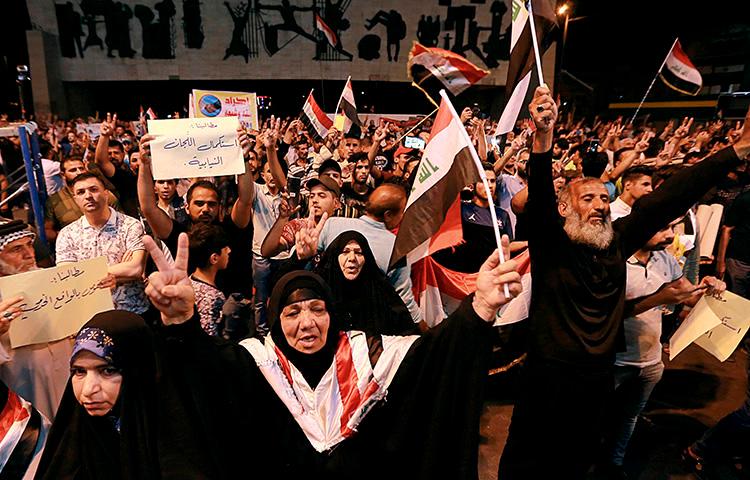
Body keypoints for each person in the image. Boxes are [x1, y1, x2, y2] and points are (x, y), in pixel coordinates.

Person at [497, 88, 750, 478]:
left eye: (604, 198)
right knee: (527, 462)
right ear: (565, 209)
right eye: (587, 198)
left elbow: (664, 200)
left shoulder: (616, 242)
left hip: (598, 378)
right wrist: (543, 136)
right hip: (547, 377)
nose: (599, 204)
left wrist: (733, 152)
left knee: (578, 461)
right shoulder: (552, 244)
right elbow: (543, 198)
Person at [142, 230, 522, 478]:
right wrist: (180, 321)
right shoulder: (256, 361)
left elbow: (435, 356)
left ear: (331, 313)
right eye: (292, 313)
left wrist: (480, 307)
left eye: (317, 309)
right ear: (276, 319)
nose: (307, 323)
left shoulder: (369, 355)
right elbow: (200, 371)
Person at [603, 219, 725, 476]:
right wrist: (660, 298)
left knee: (630, 417)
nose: (670, 236)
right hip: (614, 359)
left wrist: (708, 289)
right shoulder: (614, 261)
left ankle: (614, 464)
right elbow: (607, 312)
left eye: (672, 228)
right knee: (593, 416)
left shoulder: (665, 259)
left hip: (649, 360)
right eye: (662, 228)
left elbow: (686, 295)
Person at [36, 310, 160, 479]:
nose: (88, 390)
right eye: (79, 371)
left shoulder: (169, 440)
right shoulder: (72, 442)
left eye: (108, 371)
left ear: (137, 371)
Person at [138, 129, 254, 297]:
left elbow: (245, 200)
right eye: (199, 203)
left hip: (234, 312)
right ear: (186, 206)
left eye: (211, 204)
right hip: (190, 310)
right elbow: (148, 207)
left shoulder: (231, 228)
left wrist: (243, 160)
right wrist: (144, 164)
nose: (205, 209)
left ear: (220, 207)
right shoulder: (180, 235)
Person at [298, 183, 423, 324]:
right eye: (402, 212)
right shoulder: (397, 247)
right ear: (388, 215)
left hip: (323, 313)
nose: (352, 259)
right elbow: (404, 299)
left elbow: (307, 260)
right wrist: (424, 329)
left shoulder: (332, 224)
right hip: (367, 324)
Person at [0, 220, 76, 420]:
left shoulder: (54, 280)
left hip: (70, 379)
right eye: (16, 249)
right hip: (27, 390)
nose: (28, 254)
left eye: (29, 245)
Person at [56, 173, 149, 314]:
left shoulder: (130, 225)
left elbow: (136, 268)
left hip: (132, 310)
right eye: (81, 192)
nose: (88, 196)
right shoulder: (67, 234)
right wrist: (119, 273)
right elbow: (67, 278)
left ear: (106, 194)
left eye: (93, 189)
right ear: (75, 200)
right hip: (90, 313)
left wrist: (84, 274)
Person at [314, 231, 416, 335]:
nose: (352, 258)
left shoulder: (380, 289)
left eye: (359, 252)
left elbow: (406, 330)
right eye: (345, 251)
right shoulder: (320, 289)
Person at [44, 156, 119, 243]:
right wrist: (68, 237)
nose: (79, 172)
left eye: (81, 168)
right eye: (73, 170)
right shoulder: (55, 200)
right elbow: (47, 230)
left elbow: (120, 220)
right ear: (63, 175)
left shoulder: (104, 194)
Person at [188, 223, 229, 337]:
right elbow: (210, 336)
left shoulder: (189, 281)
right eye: (225, 249)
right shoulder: (214, 297)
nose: (229, 251)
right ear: (214, 258)